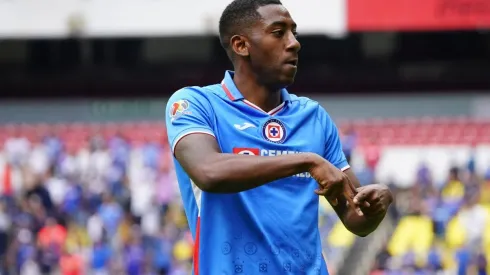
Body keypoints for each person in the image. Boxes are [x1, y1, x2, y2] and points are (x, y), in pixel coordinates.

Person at [165, 0, 394, 274]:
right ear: (241, 45)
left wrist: (377, 204)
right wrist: (306, 162)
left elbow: (355, 218)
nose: (294, 43)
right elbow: (209, 172)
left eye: (293, 32)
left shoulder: (313, 116)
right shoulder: (196, 104)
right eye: (278, 32)